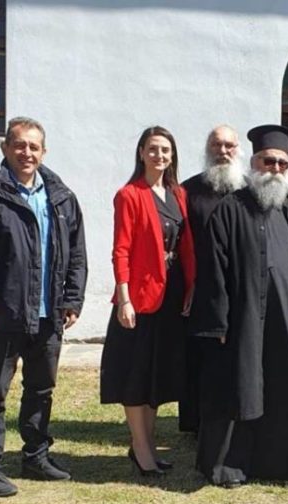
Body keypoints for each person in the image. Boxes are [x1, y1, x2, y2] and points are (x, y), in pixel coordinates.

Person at [191, 124, 288, 488]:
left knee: (282, 389)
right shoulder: (230, 209)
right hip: (243, 321)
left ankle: (281, 465)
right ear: (254, 163)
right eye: (269, 162)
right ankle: (229, 467)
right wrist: (218, 323)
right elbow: (214, 271)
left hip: (284, 322)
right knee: (240, 387)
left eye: (283, 164)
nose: (276, 169)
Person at [0, 117, 88, 496]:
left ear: (43, 151)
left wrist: (72, 298)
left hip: (50, 314)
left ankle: (35, 455)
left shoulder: (61, 196)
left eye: (34, 146)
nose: (26, 152)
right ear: (5, 149)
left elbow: (77, 252)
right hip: (4, 313)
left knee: (42, 387)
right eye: (19, 145)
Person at [100, 126, 195, 477]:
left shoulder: (178, 194)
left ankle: (148, 444)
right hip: (138, 299)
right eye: (153, 149)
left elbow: (185, 246)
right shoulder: (129, 195)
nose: (159, 156)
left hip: (170, 296)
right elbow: (120, 250)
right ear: (141, 152)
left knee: (157, 374)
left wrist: (190, 289)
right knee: (136, 375)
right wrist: (123, 298)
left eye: (166, 150)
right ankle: (141, 448)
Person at [178, 125, 245, 434]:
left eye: (229, 145)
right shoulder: (188, 191)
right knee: (198, 360)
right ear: (207, 149)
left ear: (238, 150)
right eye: (216, 144)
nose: (223, 150)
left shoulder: (249, 191)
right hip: (200, 289)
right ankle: (196, 424)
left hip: (241, 289)